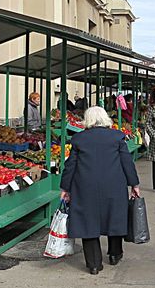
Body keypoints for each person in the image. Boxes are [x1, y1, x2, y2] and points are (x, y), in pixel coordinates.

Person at [60, 106, 140, 275]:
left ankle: (94, 264)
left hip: (85, 186)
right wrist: (134, 184)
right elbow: (127, 162)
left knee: (87, 222)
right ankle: (114, 254)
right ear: (105, 119)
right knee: (115, 218)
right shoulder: (117, 137)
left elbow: (70, 166)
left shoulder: (79, 139)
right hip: (114, 185)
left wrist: (65, 188)